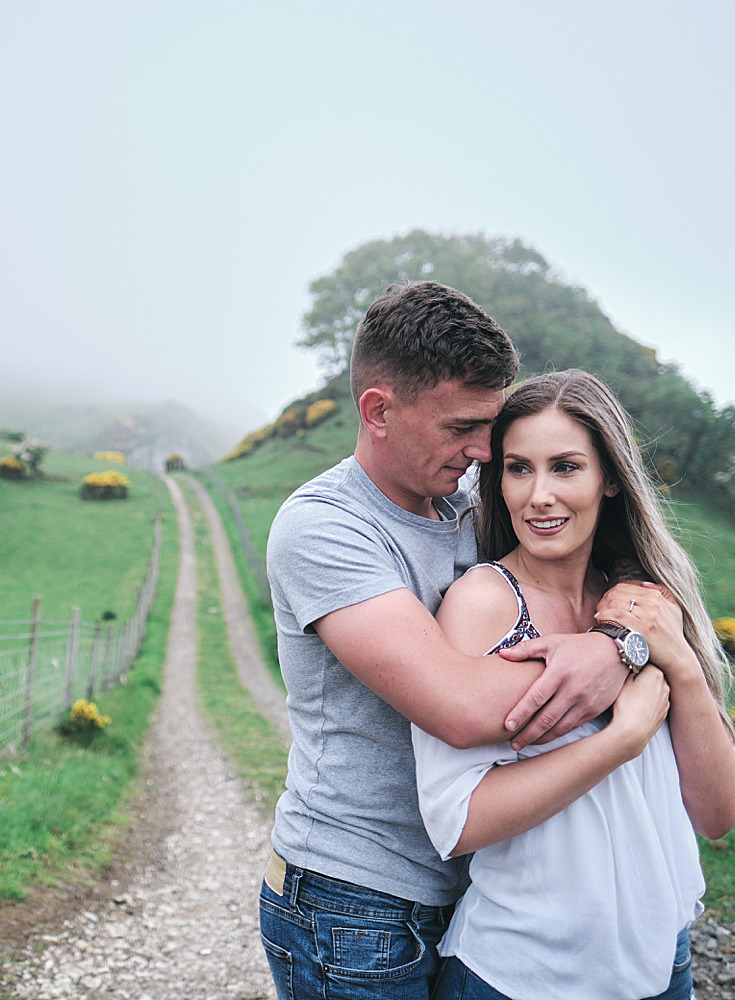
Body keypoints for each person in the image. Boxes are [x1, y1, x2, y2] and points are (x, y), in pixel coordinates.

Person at [259, 282, 641, 999]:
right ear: (379, 411)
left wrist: (618, 638)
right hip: (356, 900)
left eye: (490, 425)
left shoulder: (468, 501)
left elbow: (612, 566)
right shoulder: (325, 529)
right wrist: (619, 663)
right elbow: (460, 707)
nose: (486, 450)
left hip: (475, 889)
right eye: (462, 426)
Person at [413, 369, 735, 999]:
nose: (539, 495)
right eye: (518, 468)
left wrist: (682, 668)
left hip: (662, 968)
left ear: (611, 479)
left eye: (565, 467)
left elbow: (718, 814)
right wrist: (618, 741)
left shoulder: (644, 605)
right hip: (523, 972)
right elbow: (454, 821)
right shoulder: (484, 603)